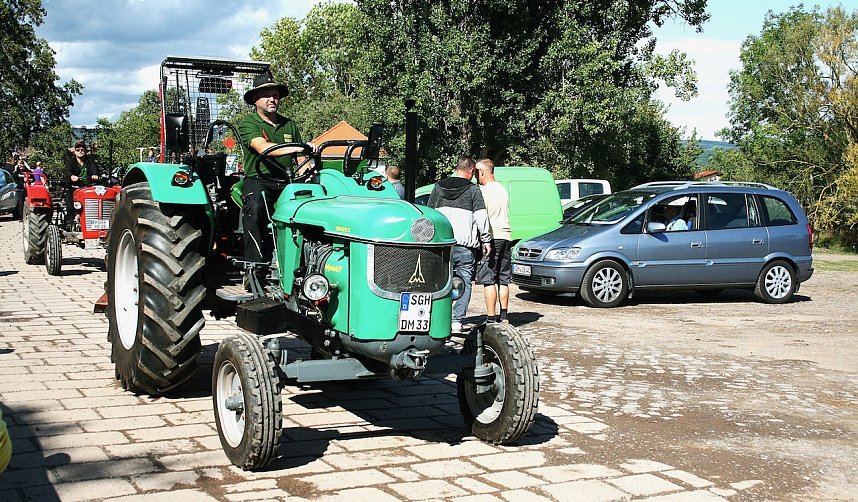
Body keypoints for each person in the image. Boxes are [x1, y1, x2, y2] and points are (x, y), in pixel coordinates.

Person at [237, 72, 315, 287]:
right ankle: (254, 271)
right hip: (259, 181)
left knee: (308, 212)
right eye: (267, 95)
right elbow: (263, 148)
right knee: (255, 211)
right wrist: (300, 147)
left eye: (275, 95)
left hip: (286, 182)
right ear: (255, 100)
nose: (273, 99)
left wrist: (306, 171)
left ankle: (303, 269)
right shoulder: (248, 124)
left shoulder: (289, 125)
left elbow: (301, 159)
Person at [428, 156, 492, 333]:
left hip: (441, 246)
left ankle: (438, 319)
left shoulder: (438, 187)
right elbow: (481, 218)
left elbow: (429, 214)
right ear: (471, 171)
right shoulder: (473, 190)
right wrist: (486, 240)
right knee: (463, 283)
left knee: (439, 283)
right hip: (464, 246)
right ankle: (456, 321)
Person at [475, 159, 512, 324]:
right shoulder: (502, 189)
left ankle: (490, 318)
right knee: (503, 278)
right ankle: (504, 315)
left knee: (488, 278)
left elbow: (482, 217)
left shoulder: (484, 191)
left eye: (477, 173)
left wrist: (483, 240)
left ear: (483, 172)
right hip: (507, 236)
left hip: (492, 236)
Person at [64, 141, 100, 230]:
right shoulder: (71, 162)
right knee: (69, 201)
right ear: (75, 151)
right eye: (78, 149)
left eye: (82, 149)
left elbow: (95, 170)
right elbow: (68, 171)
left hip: (88, 187)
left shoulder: (90, 161)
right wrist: (72, 176)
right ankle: (70, 221)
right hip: (74, 187)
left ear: (85, 151)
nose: (80, 151)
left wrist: (95, 175)